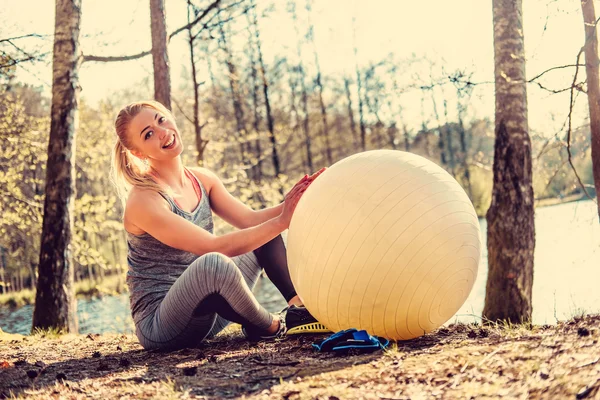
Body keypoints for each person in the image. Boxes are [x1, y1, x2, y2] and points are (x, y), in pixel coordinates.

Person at [111, 100, 327, 351]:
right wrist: (282, 221)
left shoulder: (202, 179)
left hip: (210, 310)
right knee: (214, 261)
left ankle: (299, 309)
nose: (162, 132)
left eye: (161, 120)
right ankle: (273, 326)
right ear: (138, 153)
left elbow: (251, 220)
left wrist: (297, 199)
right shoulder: (144, 200)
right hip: (163, 326)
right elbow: (213, 247)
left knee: (263, 232)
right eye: (148, 134)